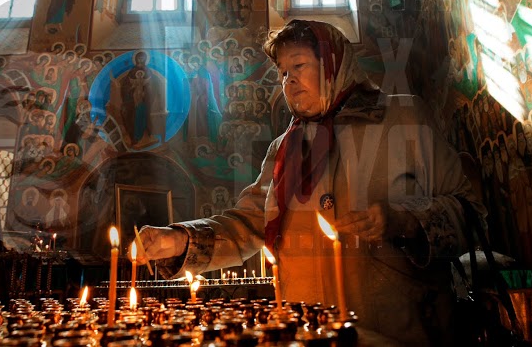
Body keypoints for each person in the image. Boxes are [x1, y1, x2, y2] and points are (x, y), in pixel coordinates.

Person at [136, 20, 486, 346]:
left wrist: (405, 221)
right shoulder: (284, 148)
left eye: (299, 66)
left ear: (333, 64)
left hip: (399, 329)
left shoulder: (403, 118)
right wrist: (182, 238)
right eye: (283, 72)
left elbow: (471, 212)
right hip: (308, 332)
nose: (287, 80)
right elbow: (249, 222)